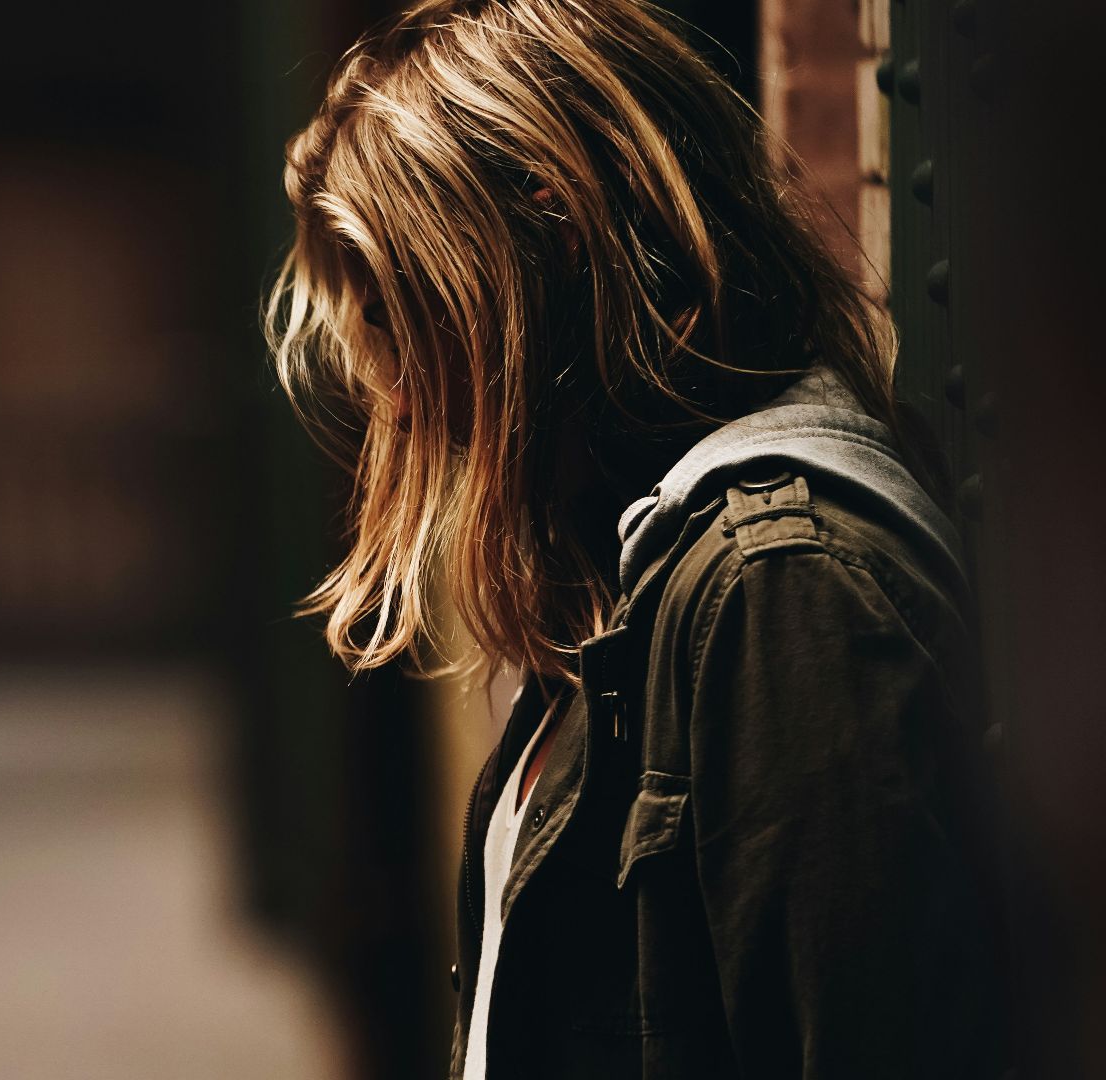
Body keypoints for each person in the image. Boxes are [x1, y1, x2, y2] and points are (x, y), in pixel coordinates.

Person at [263, 1, 1009, 1077]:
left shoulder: (782, 588)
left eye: (399, 312)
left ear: (550, 228)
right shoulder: (635, 576)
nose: (400, 404)